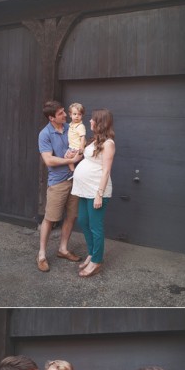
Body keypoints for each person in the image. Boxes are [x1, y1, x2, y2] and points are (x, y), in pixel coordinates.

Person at [37, 100, 84, 272]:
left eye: (65, 111)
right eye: (61, 113)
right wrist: (71, 160)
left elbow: (80, 145)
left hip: (75, 179)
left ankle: (63, 249)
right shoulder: (45, 134)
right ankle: (41, 254)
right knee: (50, 218)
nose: (66, 115)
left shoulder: (70, 128)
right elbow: (48, 159)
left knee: (71, 216)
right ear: (51, 118)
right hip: (58, 182)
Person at [71, 109, 116, 278]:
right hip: (85, 190)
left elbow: (106, 171)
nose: (89, 121)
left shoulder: (108, 144)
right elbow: (88, 159)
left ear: (101, 122)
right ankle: (91, 253)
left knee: (95, 227)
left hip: (97, 191)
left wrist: (99, 194)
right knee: (83, 220)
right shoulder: (95, 140)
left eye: (93, 120)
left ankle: (96, 261)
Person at [66, 103, 87, 173]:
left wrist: (81, 147)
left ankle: (73, 172)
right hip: (71, 147)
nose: (77, 116)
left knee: (67, 157)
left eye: (79, 114)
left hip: (77, 148)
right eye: (74, 114)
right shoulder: (70, 125)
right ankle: (74, 171)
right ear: (70, 115)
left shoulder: (80, 126)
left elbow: (82, 137)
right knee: (67, 157)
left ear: (82, 115)